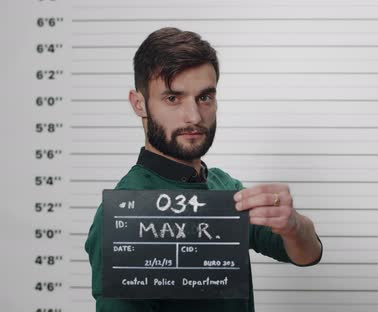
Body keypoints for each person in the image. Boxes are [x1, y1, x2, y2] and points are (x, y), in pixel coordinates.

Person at [84, 27, 323, 312]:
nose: (194, 117)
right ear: (139, 104)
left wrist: (293, 225)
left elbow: (306, 254)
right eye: (173, 98)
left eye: (204, 97)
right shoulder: (124, 214)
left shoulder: (226, 187)